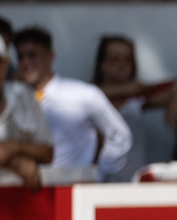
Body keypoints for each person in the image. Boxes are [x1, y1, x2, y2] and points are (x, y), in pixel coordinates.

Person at [14, 26, 131, 181]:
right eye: (21, 56)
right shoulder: (12, 98)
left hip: (72, 192)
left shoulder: (83, 94)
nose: (26, 62)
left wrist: (97, 175)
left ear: (50, 55)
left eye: (32, 55)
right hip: (24, 192)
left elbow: (120, 137)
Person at [92, 35, 177, 182]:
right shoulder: (87, 95)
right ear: (102, 64)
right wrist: (127, 89)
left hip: (134, 181)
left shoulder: (137, 98)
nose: (121, 64)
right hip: (99, 184)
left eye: (127, 59)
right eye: (114, 58)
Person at [0, 41, 53, 190]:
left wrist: (14, 147)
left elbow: (47, 152)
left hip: (21, 203)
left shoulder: (22, 94)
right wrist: (15, 162)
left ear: (6, 65)